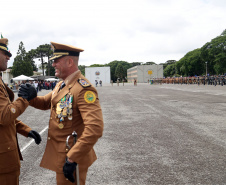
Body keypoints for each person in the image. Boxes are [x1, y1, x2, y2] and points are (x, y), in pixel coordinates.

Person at [20, 41, 104, 185]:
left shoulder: (83, 89)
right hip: (62, 154)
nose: (53, 64)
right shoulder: (61, 84)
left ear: (70, 62)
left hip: (71, 155)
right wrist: (31, 97)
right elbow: (46, 102)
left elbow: (95, 128)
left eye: (56, 61)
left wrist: (73, 157)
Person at [0, 37, 41, 185]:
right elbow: (4, 116)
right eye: (4, 53)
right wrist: (24, 99)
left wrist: (26, 130)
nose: (8, 57)